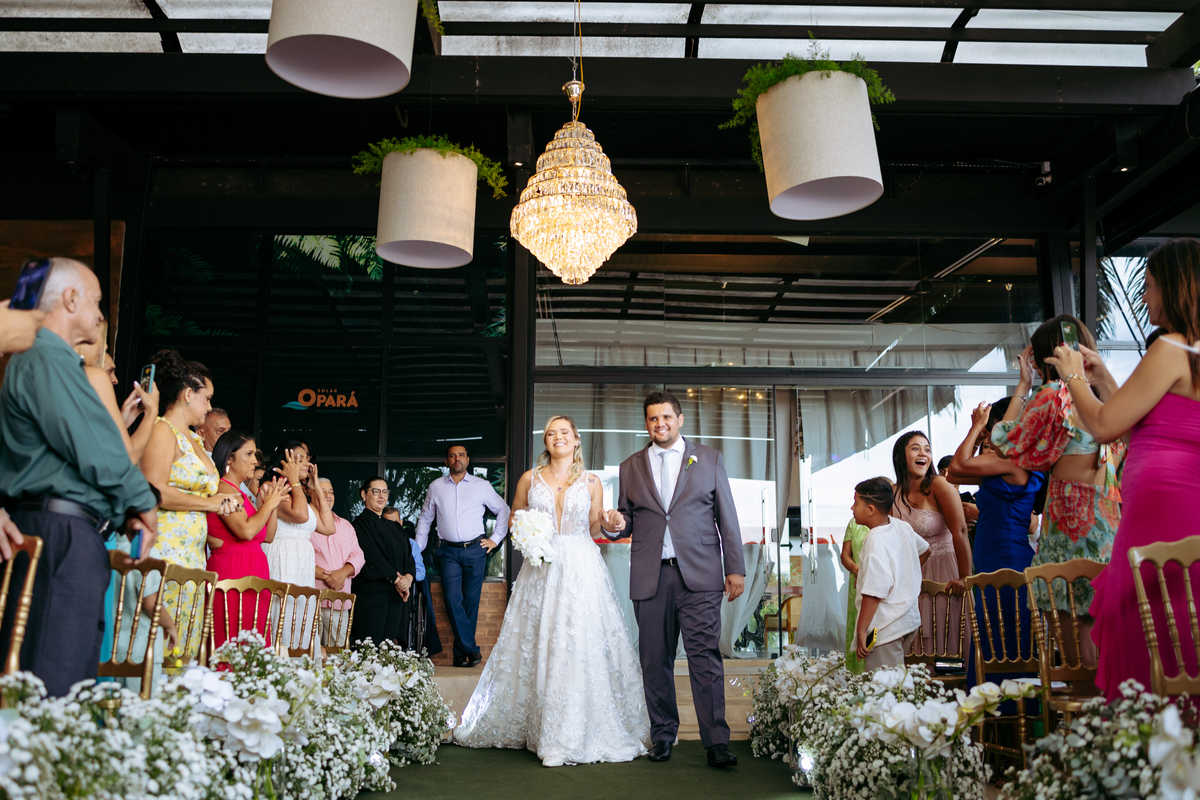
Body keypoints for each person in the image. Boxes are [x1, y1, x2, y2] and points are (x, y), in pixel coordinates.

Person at [1044, 238, 1200, 699]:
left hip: (1158, 507)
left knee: (1147, 614)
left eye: (1149, 285)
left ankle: (1150, 722)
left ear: (1173, 287)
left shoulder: (1170, 347)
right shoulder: (1193, 353)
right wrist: (1105, 380)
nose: (1145, 296)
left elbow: (1104, 426)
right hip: (1182, 501)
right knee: (1178, 614)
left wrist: (1072, 374)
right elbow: (1147, 430)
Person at [0, 258, 158, 696]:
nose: (101, 315)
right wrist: (142, 500)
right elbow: (96, 448)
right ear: (70, 298)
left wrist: (122, 513)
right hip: (59, 533)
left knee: (66, 681)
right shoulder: (46, 355)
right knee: (53, 685)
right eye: (97, 302)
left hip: (66, 530)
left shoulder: (49, 360)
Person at [456, 415, 650, 767]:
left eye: (564, 432)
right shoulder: (529, 478)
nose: (557, 437)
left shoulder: (592, 482)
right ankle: (539, 727)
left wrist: (609, 523)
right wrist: (528, 533)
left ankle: (569, 734)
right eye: (550, 433)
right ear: (545, 442)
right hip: (541, 567)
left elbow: (595, 527)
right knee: (538, 639)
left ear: (576, 440)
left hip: (580, 567)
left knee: (578, 641)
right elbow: (514, 518)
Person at [605, 391, 746, 768]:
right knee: (654, 661)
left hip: (700, 576)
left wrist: (735, 568)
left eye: (666, 417)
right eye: (653, 418)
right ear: (646, 424)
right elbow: (626, 519)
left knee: (705, 658)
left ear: (680, 419)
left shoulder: (709, 459)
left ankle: (716, 742)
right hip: (650, 576)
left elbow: (727, 517)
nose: (660, 424)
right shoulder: (630, 466)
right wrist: (615, 525)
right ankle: (663, 735)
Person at [992, 315, 1125, 668]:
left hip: (1070, 527)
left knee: (1076, 655)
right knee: (1108, 647)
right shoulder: (1104, 400)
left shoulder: (1055, 394)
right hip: (1109, 526)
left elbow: (1004, 440)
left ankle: (1083, 705)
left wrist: (1024, 385)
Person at [140, 349, 238, 656]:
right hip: (166, 548)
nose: (209, 407)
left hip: (193, 553)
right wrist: (211, 504)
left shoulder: (194, 439)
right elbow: (154, 490)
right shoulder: (162, 430)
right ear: (187, 395)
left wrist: (222, 501)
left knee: (187, 644)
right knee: (164, 646)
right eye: (206, 398)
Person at [950, 398, 1046, 682]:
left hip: (1007, 559)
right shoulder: (1001, 463)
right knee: (991, 638)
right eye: (991, 428)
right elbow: (954, 473)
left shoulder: (1013, 462)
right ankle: (992, 705)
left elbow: (956, 466)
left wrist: (975, 427)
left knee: (1005, 642)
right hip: (993, 559)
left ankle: (1011, 706)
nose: (992, 434)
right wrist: (978, 431)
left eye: (996, 427)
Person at [415, 444, 511, 668]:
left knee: (471, 601)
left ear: (468, 459)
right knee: (451, 599)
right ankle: (471, 649)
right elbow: (425, 519)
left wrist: (495, 538)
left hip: (476, 550)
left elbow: (503, 510)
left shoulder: (481, 486)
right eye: (452, 455)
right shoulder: (436, 487)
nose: (456, 458)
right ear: (447, 461)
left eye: (461, 455)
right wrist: (417, 548)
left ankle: (459, 654)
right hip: (448, 552)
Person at [891, 431, 970, 657]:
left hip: (943, 571)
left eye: (927, 449)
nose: (923, 453)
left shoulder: (939, 485)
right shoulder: (893, 493)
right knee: (915, 643)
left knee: (945, 638)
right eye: (915, 448)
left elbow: (961, 531)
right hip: (910, 575)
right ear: (900, 456)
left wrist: (965, 577)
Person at [206, 431, 289, 649]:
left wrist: (271, 503)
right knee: (232, 638)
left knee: (254, 640)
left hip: (254, 570)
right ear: (229, 458)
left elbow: (268, 536)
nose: (255, 461)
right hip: (233, 570)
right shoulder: (223, 489)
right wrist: (268, 505)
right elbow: (246, 531)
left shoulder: (241, 494)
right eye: (249, 454)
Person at [260, 441, 334, 651]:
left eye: (307, 459)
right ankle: (280, 663)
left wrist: (316, 488)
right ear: (284, 462)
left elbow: (328, 527)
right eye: (299, 459)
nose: (307, 464)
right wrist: (293, 480)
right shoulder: (272, 487)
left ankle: (301, 664)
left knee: (301, 613)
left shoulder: (300, 494)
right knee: (283, 613)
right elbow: (300, 515)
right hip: (282, 557)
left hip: (301, 563)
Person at [853, 477, 932, 671]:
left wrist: (861, 631)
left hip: (885, 627)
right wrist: (904, 577)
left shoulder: (875, 540)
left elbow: (873, 593)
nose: (852, 508)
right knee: (896, 680)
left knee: (885, 685)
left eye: (855, 503)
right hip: (907, 619)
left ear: (870, 510)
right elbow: (925, 550)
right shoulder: (900, 526)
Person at [351, 478, 416, 645]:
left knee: (388, 649)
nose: (381, 496)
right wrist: (397, 580)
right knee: (369, 649)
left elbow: (408, 557)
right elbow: (371, 555)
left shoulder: (395, 527)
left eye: (385, 492)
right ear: (364, 494)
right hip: (372, 596)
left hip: (396, 595)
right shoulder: (359, 524)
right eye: (376, 491)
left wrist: (408, 579)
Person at [314, 478, 365, 644]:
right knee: (308, 653)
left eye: (331, 492)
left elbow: (358, 555)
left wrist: (342, 573)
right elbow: (298, 558)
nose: (328, 495)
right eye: (323, 491)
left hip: (339, 603)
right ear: (311, 492)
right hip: (309, 601)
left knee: (337, 654)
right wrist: (329, 576)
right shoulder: (304, 523)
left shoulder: (345, 525)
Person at [840, 516, 872, 674]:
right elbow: (845, 555)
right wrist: (856, 570)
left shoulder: (889, 521)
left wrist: (867, 574)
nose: (852, 507)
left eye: (856, 503)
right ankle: (855, 679)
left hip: (876, 583)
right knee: (856, 627)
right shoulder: (853, 522)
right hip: (856, 582)